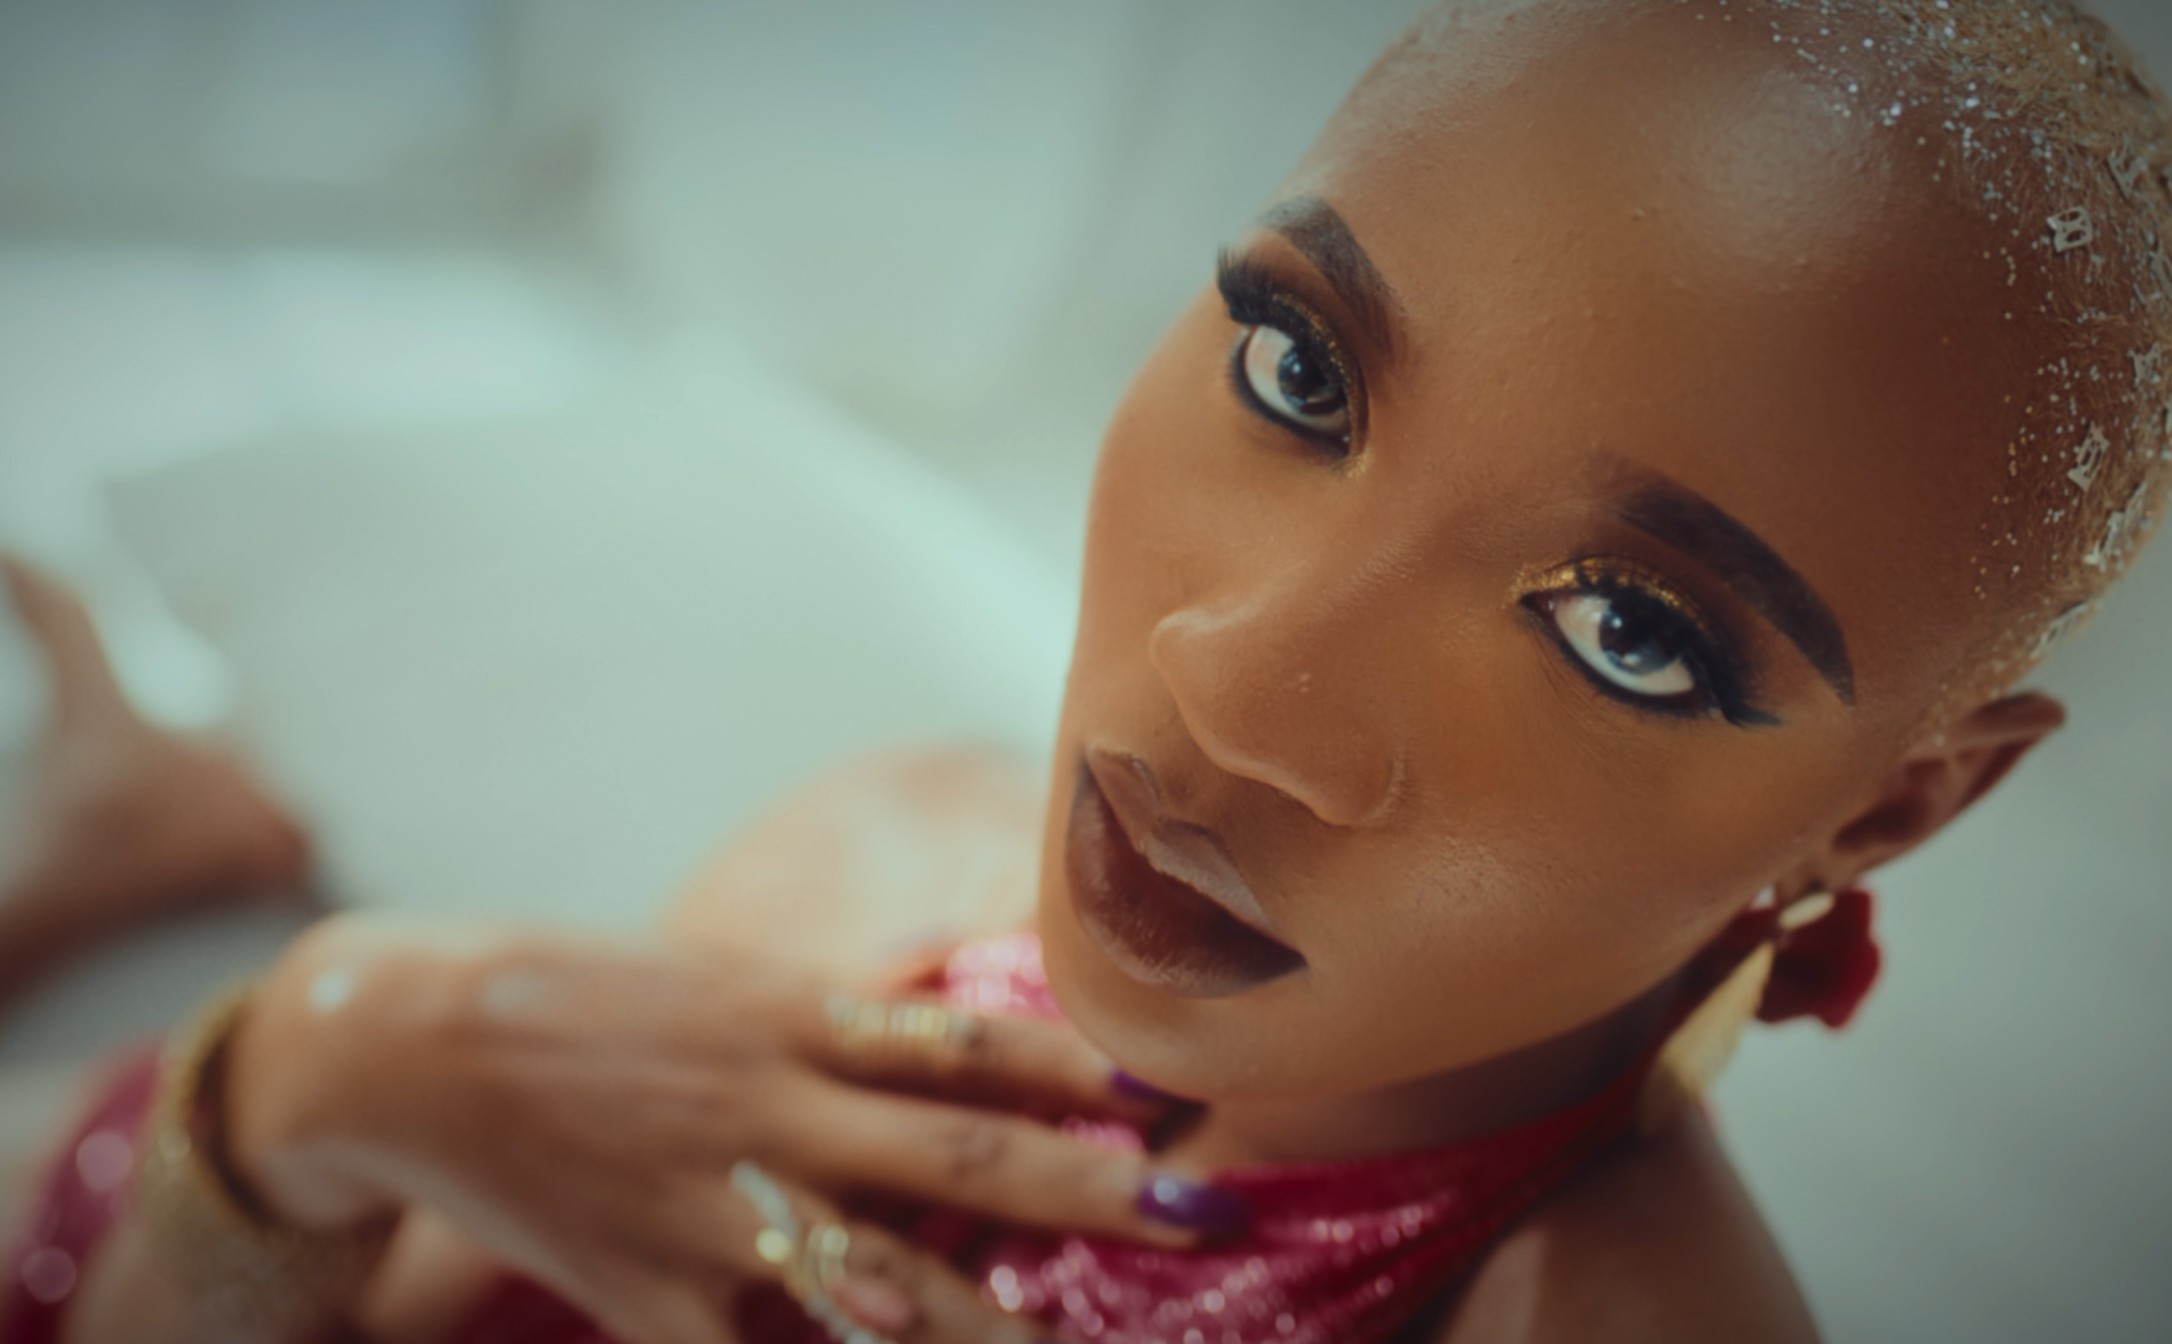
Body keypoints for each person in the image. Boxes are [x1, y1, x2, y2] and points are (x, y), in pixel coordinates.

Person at [5, 1, 2170, 1340]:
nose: (1232, 694)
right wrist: (316, 1072)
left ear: (1892, 809)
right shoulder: (882, 866)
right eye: (1301, 366)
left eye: (1629, 633)